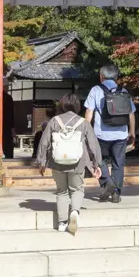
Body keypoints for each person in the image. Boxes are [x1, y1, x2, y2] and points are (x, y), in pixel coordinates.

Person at [34, 92, 99, 234]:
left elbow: (44, 143)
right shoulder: (84, 123)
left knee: (62, 191)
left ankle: (62, 222)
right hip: (78, 162)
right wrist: (96, 164)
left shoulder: (54, 121)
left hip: (57, 161)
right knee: (77, 189)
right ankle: (74, 212)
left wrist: (41, 162)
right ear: (77, 106)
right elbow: (93, 145)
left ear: (62, 105)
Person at [84, 64, 133, 203]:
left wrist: (86, 131)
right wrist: (132, 131)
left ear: (101, 76)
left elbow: (89, 112)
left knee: (98, 160)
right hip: (121, 134)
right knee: (119, 164)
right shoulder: (123, 91)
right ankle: (116, 192)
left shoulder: (95, 90)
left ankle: (107, 182)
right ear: (117, 77)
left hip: (101, 134)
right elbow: (131, 114)